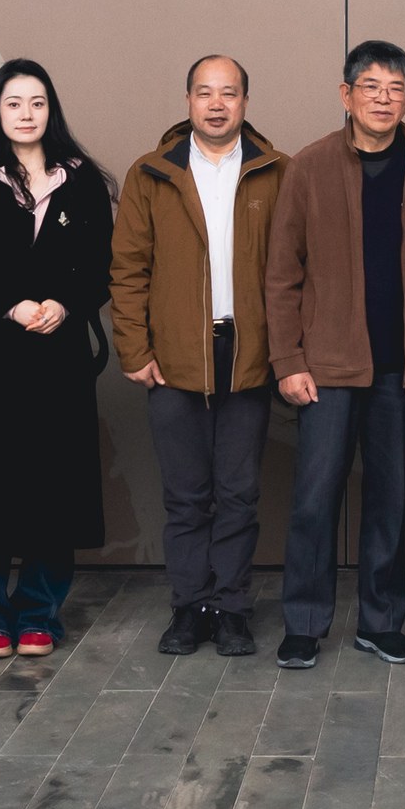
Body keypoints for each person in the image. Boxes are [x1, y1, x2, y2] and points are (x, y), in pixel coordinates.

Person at [267, 41, 405, 667]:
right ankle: (304, 623)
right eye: (371, 87)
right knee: (315, 500)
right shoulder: (310, 166)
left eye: (395, 89)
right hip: (326, 367)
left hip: (401, 367)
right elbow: (281, 274)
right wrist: (288, 361)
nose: (383, 99)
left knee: (390, 500)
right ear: (346, 95)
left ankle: (381, 621)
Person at [0, 61, 113, 655]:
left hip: (57, 357)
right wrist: (10, 305)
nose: (26, 113)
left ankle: (39, 611)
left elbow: (103, 264)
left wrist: (65, 302)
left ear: (50, 110)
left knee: (51, 486)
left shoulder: (84, 183)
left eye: (37, 102)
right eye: (14, 103)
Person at [112, 56, 287, 658]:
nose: (216, 104)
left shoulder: (276, 171)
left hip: (249, 352)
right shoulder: (152, 173)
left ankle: (232, 609)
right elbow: (128, 268)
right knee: (185, 496)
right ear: (188, 100)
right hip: (173, 355)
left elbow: (295, 270)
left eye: (229, 93)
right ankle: (189, 608)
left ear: (245, 102)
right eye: (205, 93)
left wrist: (285, 353)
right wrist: (134, 349)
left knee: (238, 494)